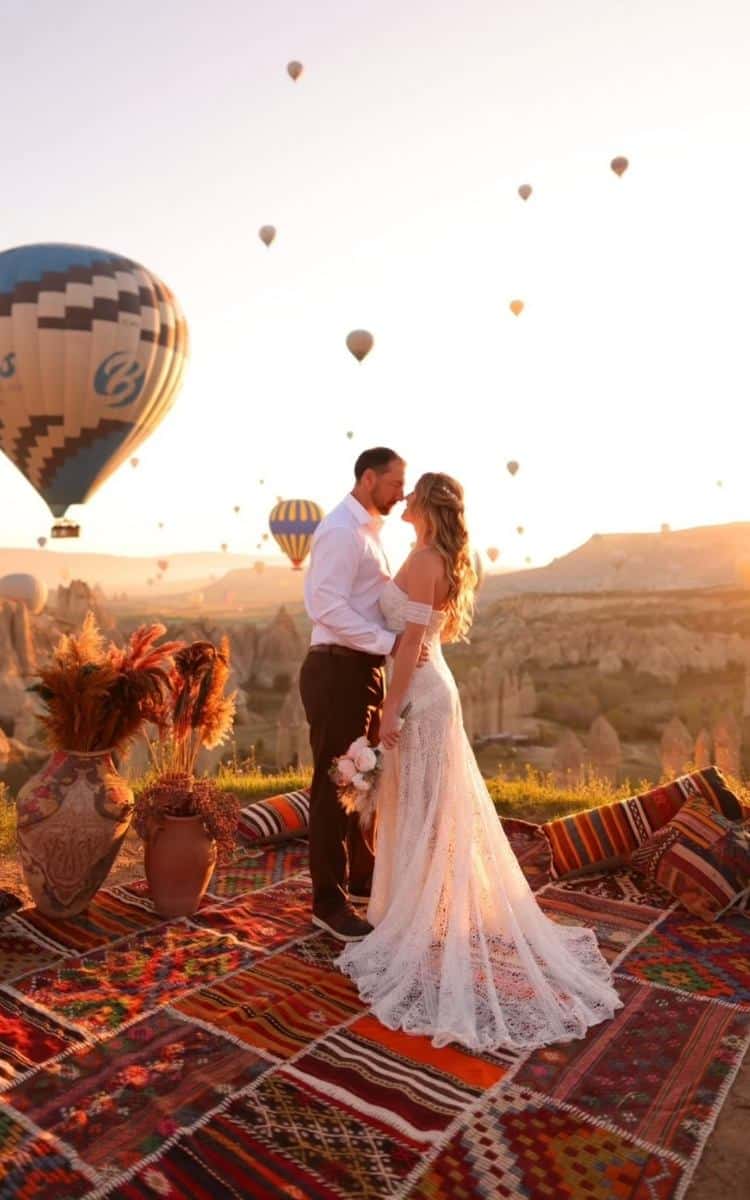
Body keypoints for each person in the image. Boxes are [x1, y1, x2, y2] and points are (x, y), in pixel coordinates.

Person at [336, 472, 623, 1052]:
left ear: (426, 506)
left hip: (419, 691)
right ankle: (421, 912)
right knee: (427, 803)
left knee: (420, 804)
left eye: (412, 495)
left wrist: (389, 712)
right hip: (433, 687)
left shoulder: (422, 561)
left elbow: (412, 644)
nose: (405, 501)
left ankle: (416, 921)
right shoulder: (436, 557)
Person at [300, 447, 427, 942]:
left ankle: (360, 876)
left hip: (361, 671)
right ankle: (327, 903)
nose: (401, 493)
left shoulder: (370, 533)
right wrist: (390, 643)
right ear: (369, 477)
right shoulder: (338, 531)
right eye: (396, 483)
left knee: (361, 778)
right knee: (334, 786)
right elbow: (325, 605)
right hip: (336, 671)